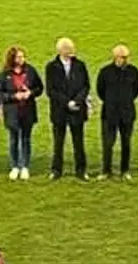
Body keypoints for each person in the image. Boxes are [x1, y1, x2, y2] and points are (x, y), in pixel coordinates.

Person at [45, 37, 90, 181]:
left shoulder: (80, 65)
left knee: (79, 142)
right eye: (68, 49)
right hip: (60, 111)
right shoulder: (51, 67)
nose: (72, 51)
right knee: (58, 142)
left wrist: (77, 101)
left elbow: (85, 86)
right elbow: (51, 90)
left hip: (77, 109)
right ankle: (56, 170)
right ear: (61, 50)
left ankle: (81, 170)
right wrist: (67, 102)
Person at [0, 46, 43, 181]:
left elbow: (39, 87)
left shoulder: (30, 71)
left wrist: (31, 93)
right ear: (12, 58)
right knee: (13, 139)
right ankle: (15, 166)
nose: (21, 59)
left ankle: (25, 166)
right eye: (18, 57)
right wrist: (14, 97)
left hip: (27, 111)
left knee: (26, 139)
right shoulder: (4, 74)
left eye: (23, 56)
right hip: (12, 112)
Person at [96, 45, 138, 181]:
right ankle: (106, 170)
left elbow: (136, 91)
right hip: (109, 113)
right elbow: (100, 90)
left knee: (126, 143)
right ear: (115, 56)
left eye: (126, 57)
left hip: (127, 113)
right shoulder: (105, 72)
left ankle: (125, 170)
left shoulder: (134, 72)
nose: (125, 59)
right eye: (122, 57)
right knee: (108, 144)